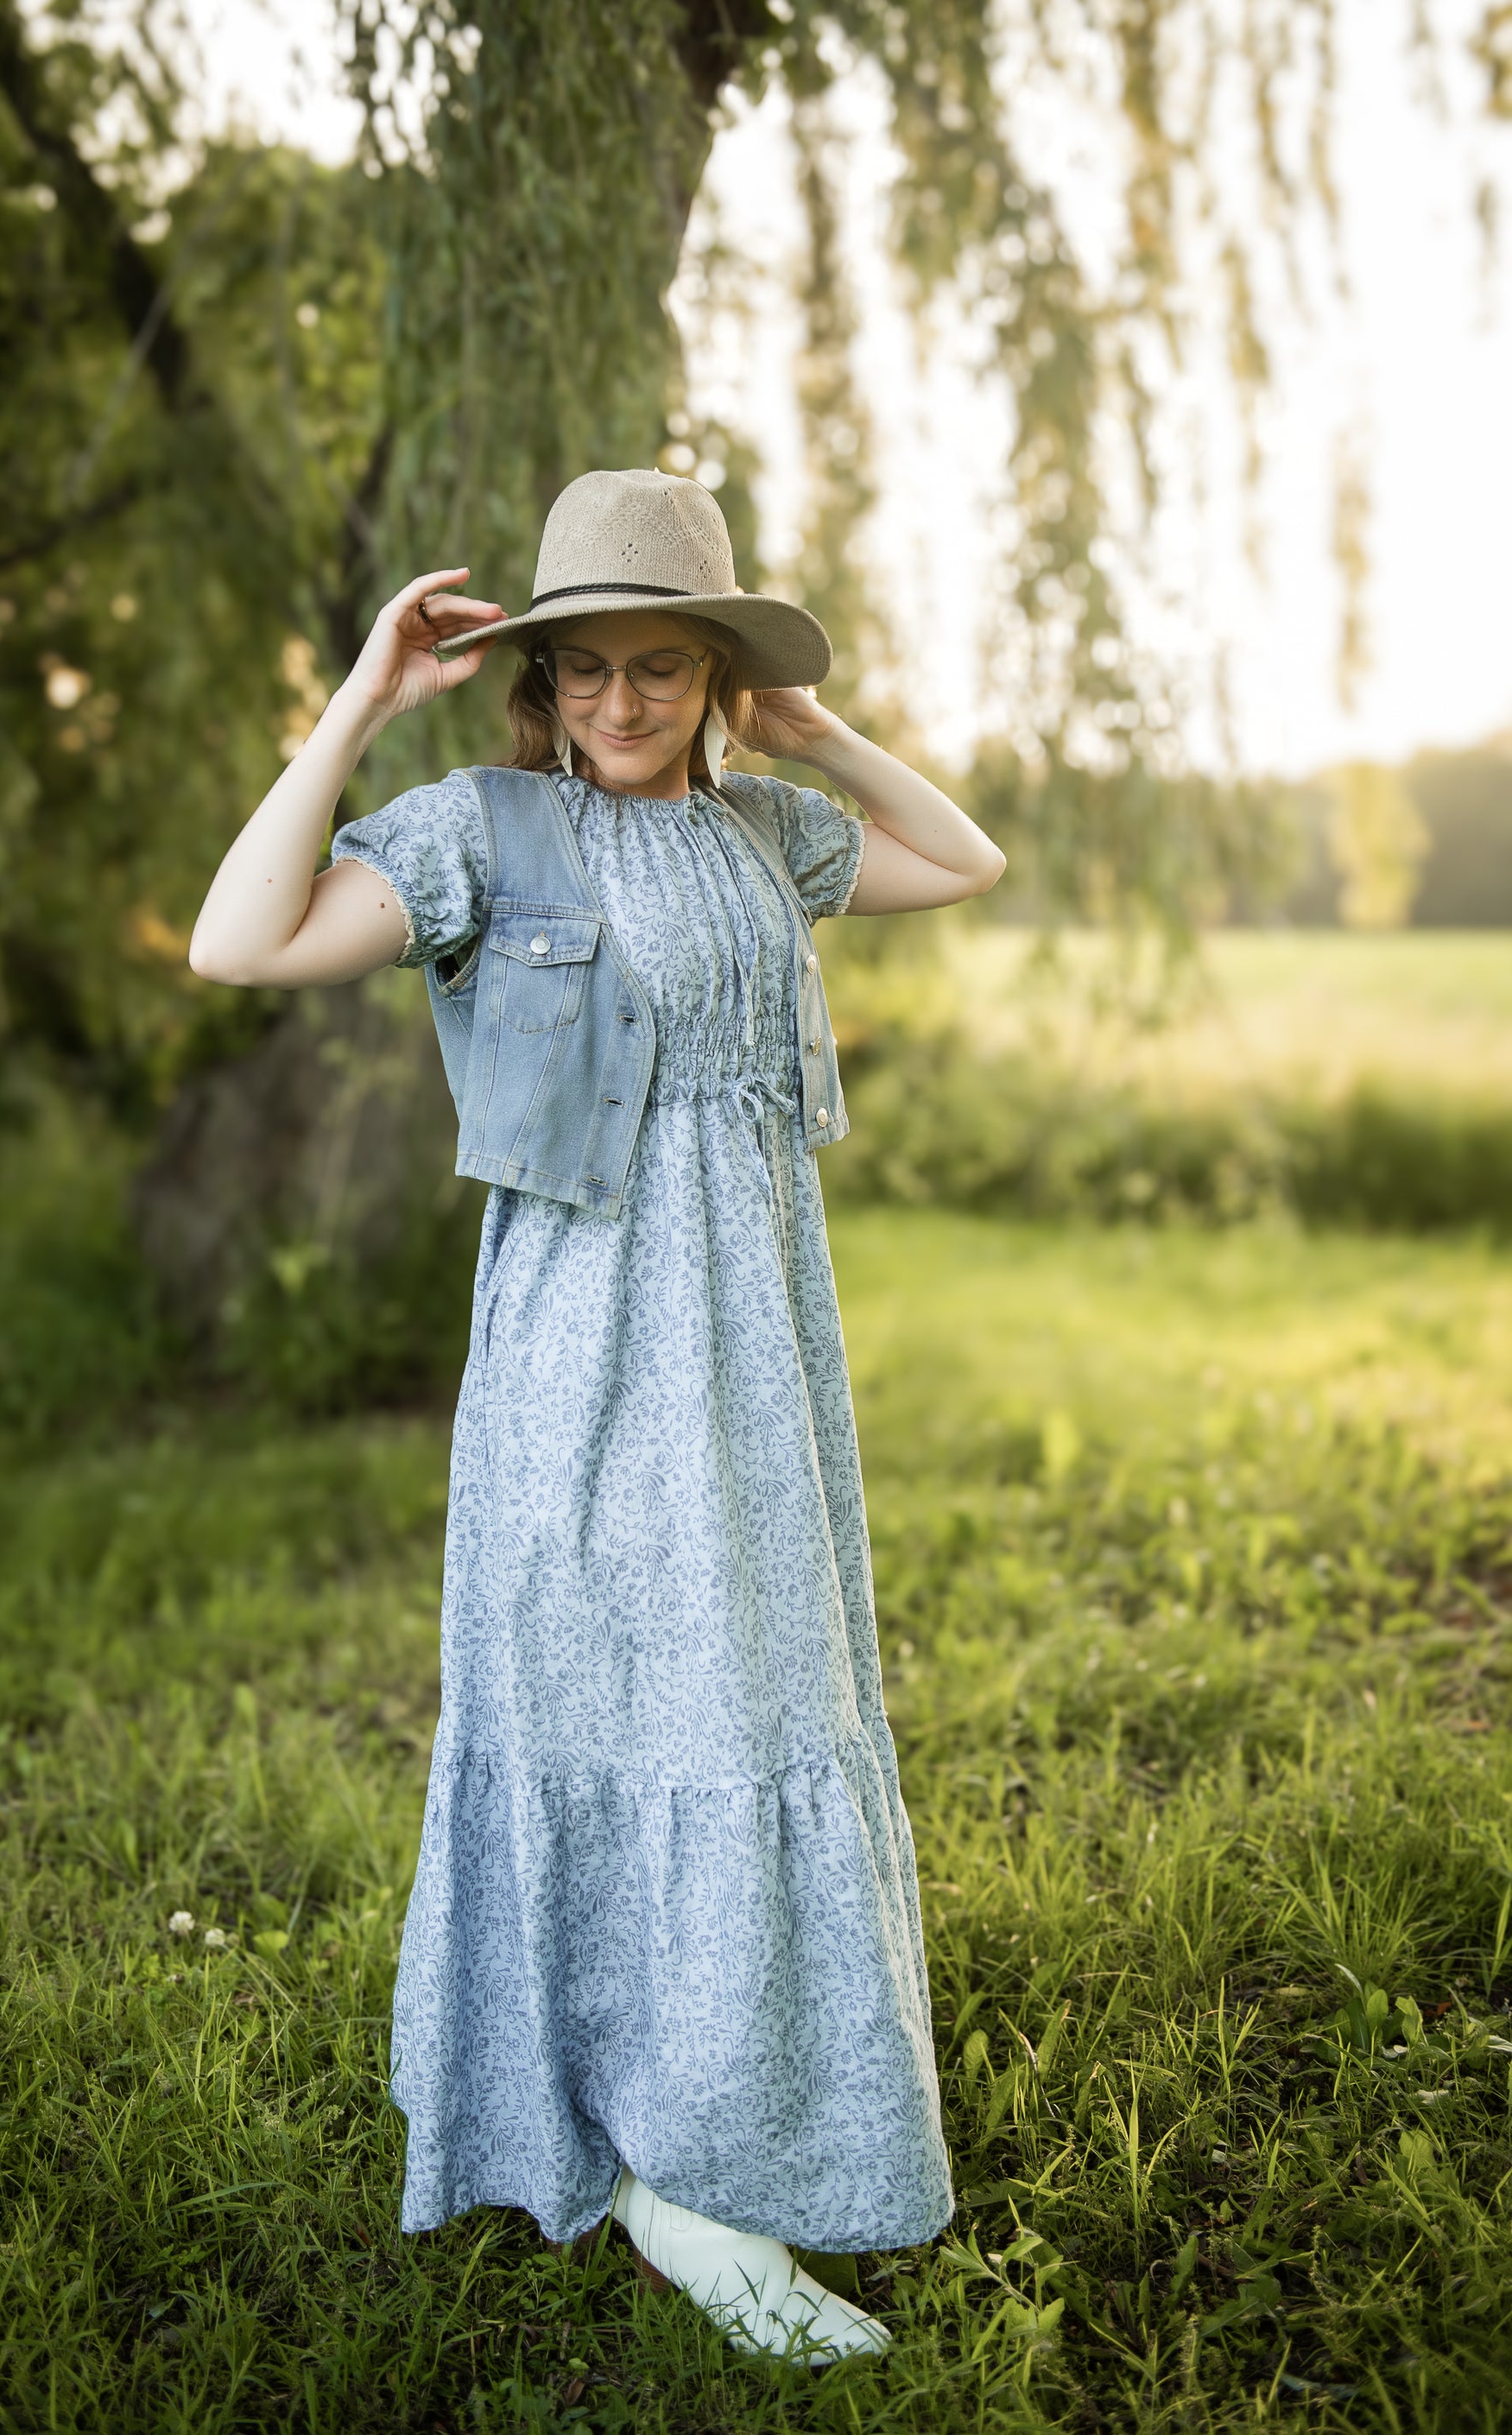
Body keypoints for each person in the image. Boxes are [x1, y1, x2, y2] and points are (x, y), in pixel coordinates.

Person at [190, 468, 1006, 2362]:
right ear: (536, 684)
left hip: (756, 1346)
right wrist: (357, 710)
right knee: (613, 1698)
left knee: (750, 1698)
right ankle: (656, 2165)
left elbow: (961, 860)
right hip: (582, 1348)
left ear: (712, 680)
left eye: (665, 669)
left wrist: (814, 726)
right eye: (586, 673)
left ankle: (708, 2146)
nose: (624, 707)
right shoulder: (481, 834)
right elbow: (241, 939)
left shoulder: (769, 836)